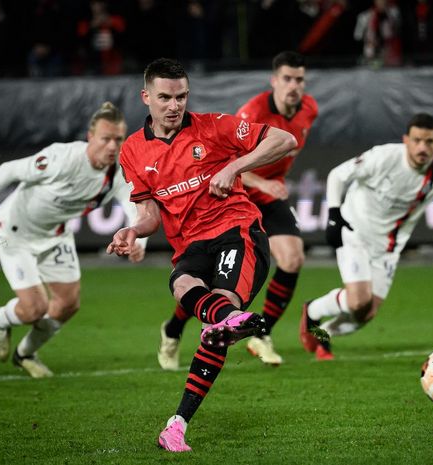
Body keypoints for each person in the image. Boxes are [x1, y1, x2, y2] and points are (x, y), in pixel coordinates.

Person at [106, 58, 296, 452]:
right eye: (164, 97)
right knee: (182, 284)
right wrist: (131, 230)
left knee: (220, 308)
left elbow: (284, 140)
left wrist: (235, 167)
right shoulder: (132, 150)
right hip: (190, 245)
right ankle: (228, 325)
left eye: (181, 96)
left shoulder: (214, 126)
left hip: (237, 232)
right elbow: (149, 215)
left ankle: (179, 421)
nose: (174, 105)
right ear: (146, 98)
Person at [0, 102, 145, 378]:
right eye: (106, 139)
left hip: (55, 235)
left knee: (68, 304)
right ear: (91, 137)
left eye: (118, 139)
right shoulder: (62, 158)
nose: (113, 146)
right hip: (14, 232)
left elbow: (132, 205)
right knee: (34, 308)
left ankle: (25, 353)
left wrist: (139, 240)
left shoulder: (116, 172)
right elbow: (8, 170)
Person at [156, 50, 318, 368]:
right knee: (208, 281)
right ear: (274, 81)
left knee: (293, 257)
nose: (294, 86)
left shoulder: (309, 109)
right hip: (237, 197)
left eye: (299, 79)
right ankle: (173, 329)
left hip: (268, 199)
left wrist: (273, 183)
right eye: (287, 78)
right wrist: (263, 181)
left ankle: (261, 335)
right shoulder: (253, 112)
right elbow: (229, 162)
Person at [299, 113, 433, 360]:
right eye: (417, 140)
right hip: (354, 231)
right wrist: (334, 215)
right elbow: (337, 175)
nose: (422, 147)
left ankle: (322, 334)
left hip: (389, 247)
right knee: (358, 300)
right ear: (406, 140)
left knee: (365, 314)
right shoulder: (384, 157)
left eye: (429, 141)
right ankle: (312, 311)